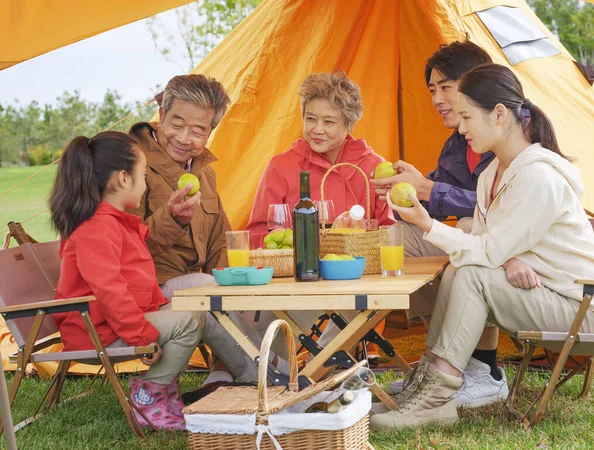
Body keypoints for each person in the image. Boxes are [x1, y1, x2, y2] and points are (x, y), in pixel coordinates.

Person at [370, 63, 594, 431]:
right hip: (547, 294)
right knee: (462, 267)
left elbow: (488, 250)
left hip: (584, 309)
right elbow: (481, 236)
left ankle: (435, 398)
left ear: (498, 114)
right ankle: (426, 388)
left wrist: (427, 224)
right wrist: (502, 256)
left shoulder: (539, 176)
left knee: (473, 273)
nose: (460, 128)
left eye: (466, 116)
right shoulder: (493, 175)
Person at [370, 41, 509, 407]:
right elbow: (434, 198)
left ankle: (485, 369)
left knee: (464, 228)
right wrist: (405, 194)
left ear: (475, 83)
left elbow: (494, 208)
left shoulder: (506, 131)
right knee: (397, 242)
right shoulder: (454, 144)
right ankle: (441, 365)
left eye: (445, 86)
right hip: (476, 243)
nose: (436, 98)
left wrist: (429, 188)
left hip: (510, 251)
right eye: (432, 89)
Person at [49, 131, 202, 430]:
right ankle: (148, 397)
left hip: (108, 325)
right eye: (143, 176)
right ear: (122, 179)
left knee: (197, 311)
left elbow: (133, 282)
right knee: (189, 322)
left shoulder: (111, 223)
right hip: (97, 333)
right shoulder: (97, 228)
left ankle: (164, 395)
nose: (145, 186)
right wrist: (142, 336)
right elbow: (110, 291)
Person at [129, 74, 267, 393]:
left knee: (262, 287)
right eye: (177, 123)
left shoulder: (204, 172)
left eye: (198, 130)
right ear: (162, 115)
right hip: (146, 289)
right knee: (206, 287)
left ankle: (224, 376)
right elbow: (123, 249)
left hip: (194, 285)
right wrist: (172, 218)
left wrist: (240, 278)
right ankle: (263, 376)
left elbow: (222, 239)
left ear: (210, 131)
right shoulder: (129, 166)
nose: (184, 137)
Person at [244, 70, 395, 358]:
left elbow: (386, 230)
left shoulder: (373, 166)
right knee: (266, 322)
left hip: (353, 281)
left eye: (329, 121)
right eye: (310, 119)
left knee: (357, 299)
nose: (317, 129)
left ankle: (322, 365)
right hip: (298, 283)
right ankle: (288, 371)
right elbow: (257, 232)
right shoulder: (281, 165)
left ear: (349, 123)